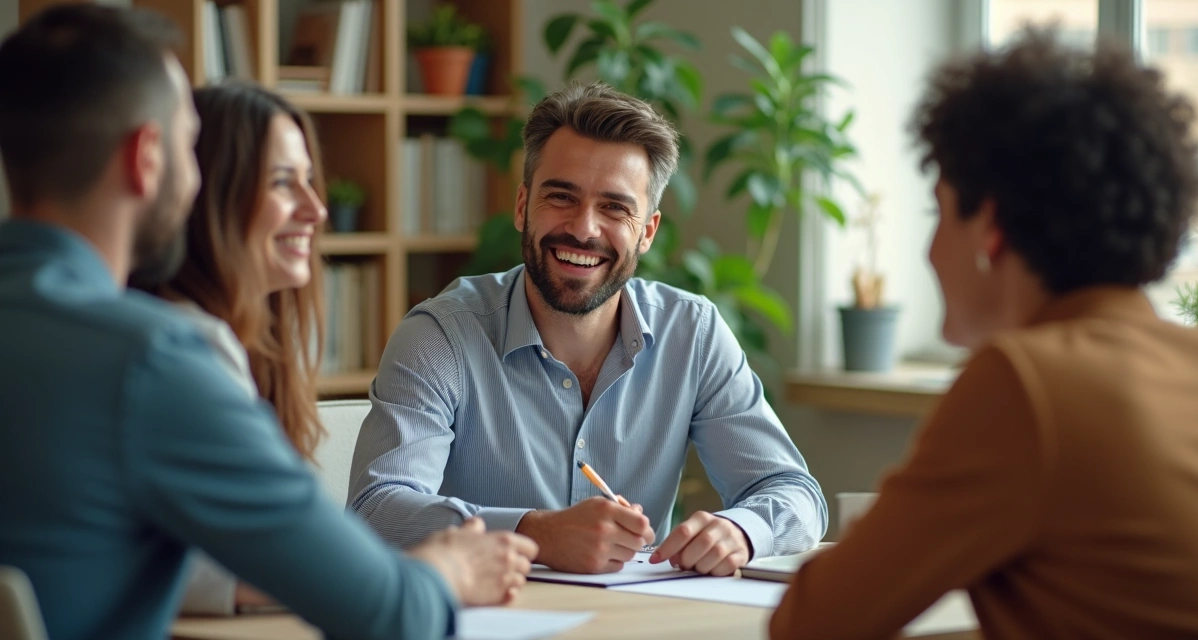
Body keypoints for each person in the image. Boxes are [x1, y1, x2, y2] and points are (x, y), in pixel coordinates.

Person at [0, 6, 535, 640]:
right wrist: (446, 568)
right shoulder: (151, 360)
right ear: (147, 157)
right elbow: (391, 614)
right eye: (185, 144)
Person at [770, 28, 1198, 640]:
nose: (927, 250)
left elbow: (813, 623)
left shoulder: (1026, 381)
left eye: (939, 212)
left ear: (991, 226)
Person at [349, 82, 826, 577]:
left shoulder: (693, 333)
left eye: (615, 208)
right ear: (521, 207)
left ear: (647, 232)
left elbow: (794, 492)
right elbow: (375, 511)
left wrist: (743, 531)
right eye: (561, 197)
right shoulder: (441, 335)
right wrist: (533, 533)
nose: (584, 229)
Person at [140, 83, 329, 615]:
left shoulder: (256, 348)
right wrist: (430, 571)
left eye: (310, 183)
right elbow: (218, 566)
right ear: (207, 194)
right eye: (282, 183)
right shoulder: (182, 344)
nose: (315, 209)